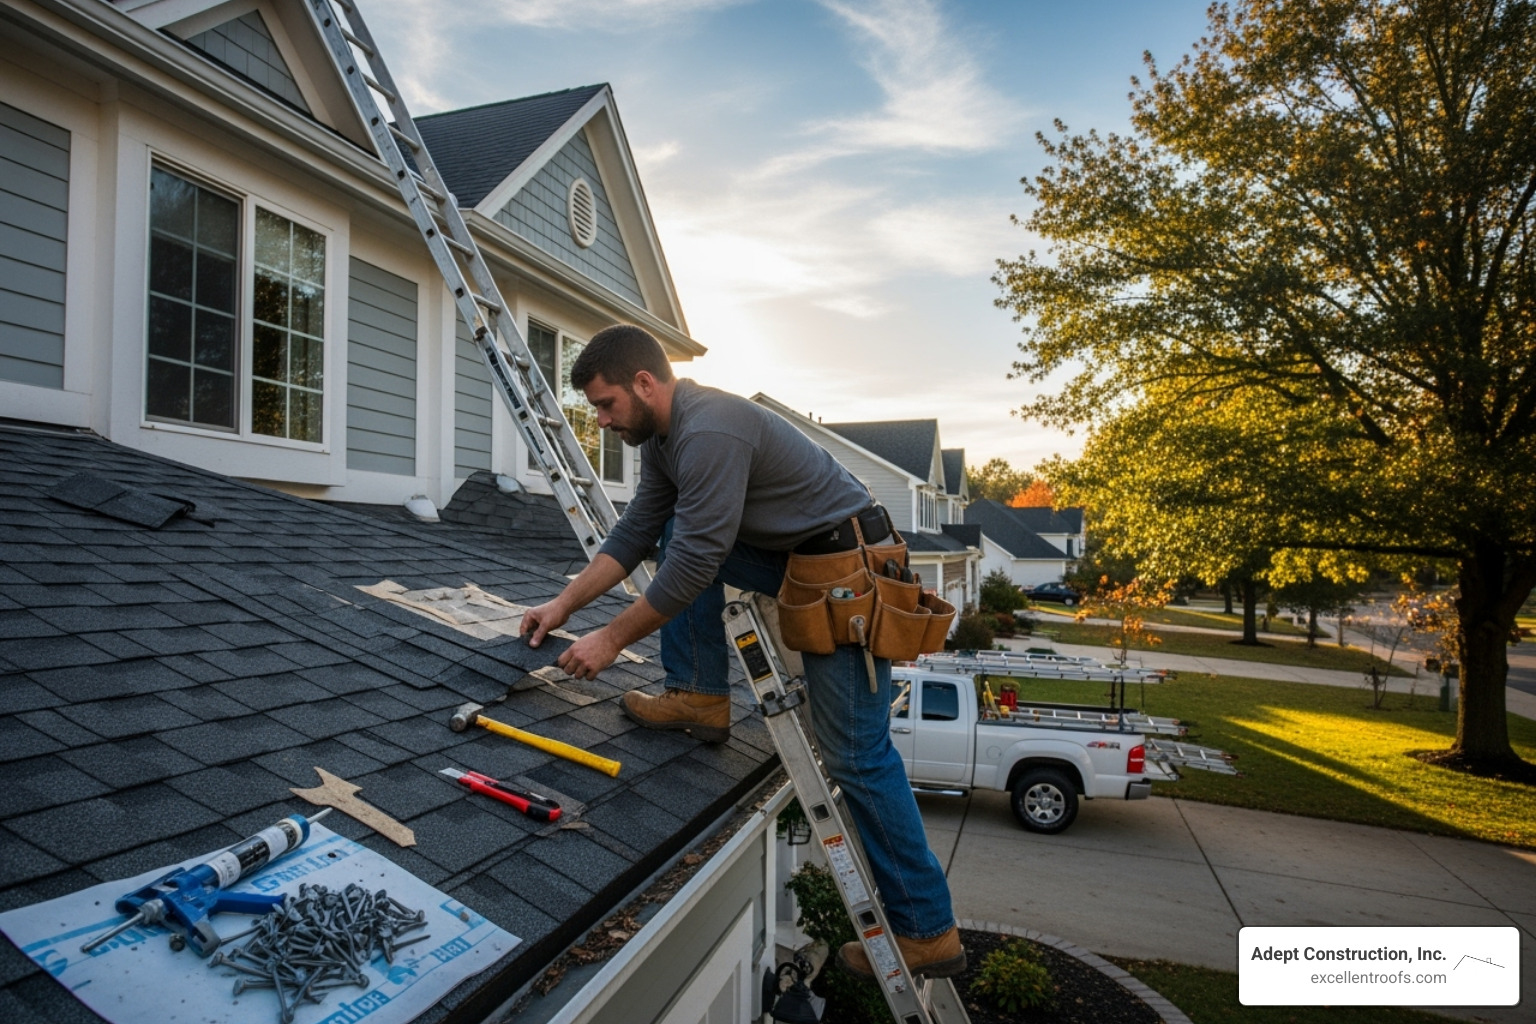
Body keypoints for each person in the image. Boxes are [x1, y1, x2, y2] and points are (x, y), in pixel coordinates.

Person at [520, 324, 965, 978]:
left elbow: (700, 557)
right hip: (802, 561)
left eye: (606, 404)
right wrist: (564, 606)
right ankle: (699, 695)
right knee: (676, 528)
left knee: (857, 755)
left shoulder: (709, 431)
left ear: (645, 382)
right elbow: (639, 531)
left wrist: (612, 639)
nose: (604, 420)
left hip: (848, 575)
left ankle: (928, 931)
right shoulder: (668, 442)